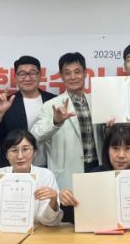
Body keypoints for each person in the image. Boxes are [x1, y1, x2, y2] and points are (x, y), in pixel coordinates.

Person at [31, 53, 103, 191]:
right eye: (67, 73)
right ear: (62, 76)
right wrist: (55, 122)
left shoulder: (97, 101)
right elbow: (35, 137)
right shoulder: (51, 105)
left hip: (97, 169)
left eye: (77, 72)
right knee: (70, 205)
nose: (73, 77)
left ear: (85, 73)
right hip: (67, 173)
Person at [0, 56, 55, 168]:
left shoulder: (53, 101)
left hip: (49, 167)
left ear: (40, 75)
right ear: (15, 77)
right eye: (22, 74)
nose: (27, 78)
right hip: (14, 169)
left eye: (33, 73)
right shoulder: (6, 102)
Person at [0, 129, 63, 226]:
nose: (20, 156)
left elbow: (47, 221)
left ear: (34, 152)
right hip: (2, 231)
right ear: (6, 155)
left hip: (37, 232)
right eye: (14, 150)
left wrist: (53, 201)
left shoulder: (45, 175)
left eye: (25, 149)